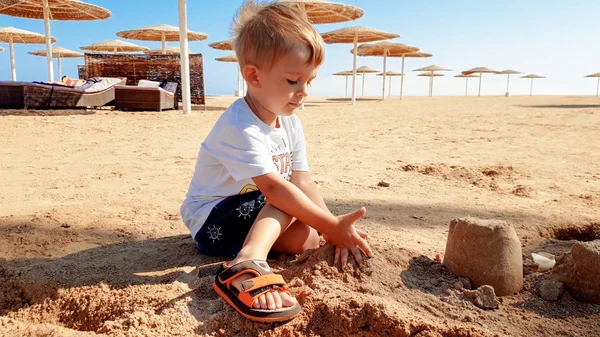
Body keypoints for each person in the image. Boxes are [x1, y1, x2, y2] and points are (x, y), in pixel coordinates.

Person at [180, 0, 372, 322]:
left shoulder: (290, 120)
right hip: (212, 218)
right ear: (253, 76)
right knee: (282, 196)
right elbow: (275, 189)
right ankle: (249, 259)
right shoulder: (239, 125)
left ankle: (261, 247)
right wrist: (330, 225)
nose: (304, 92)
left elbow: (303, 181)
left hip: (253, 209)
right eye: (293, 81)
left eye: (309, 81)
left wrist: (329, 228)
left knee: (307, 238)